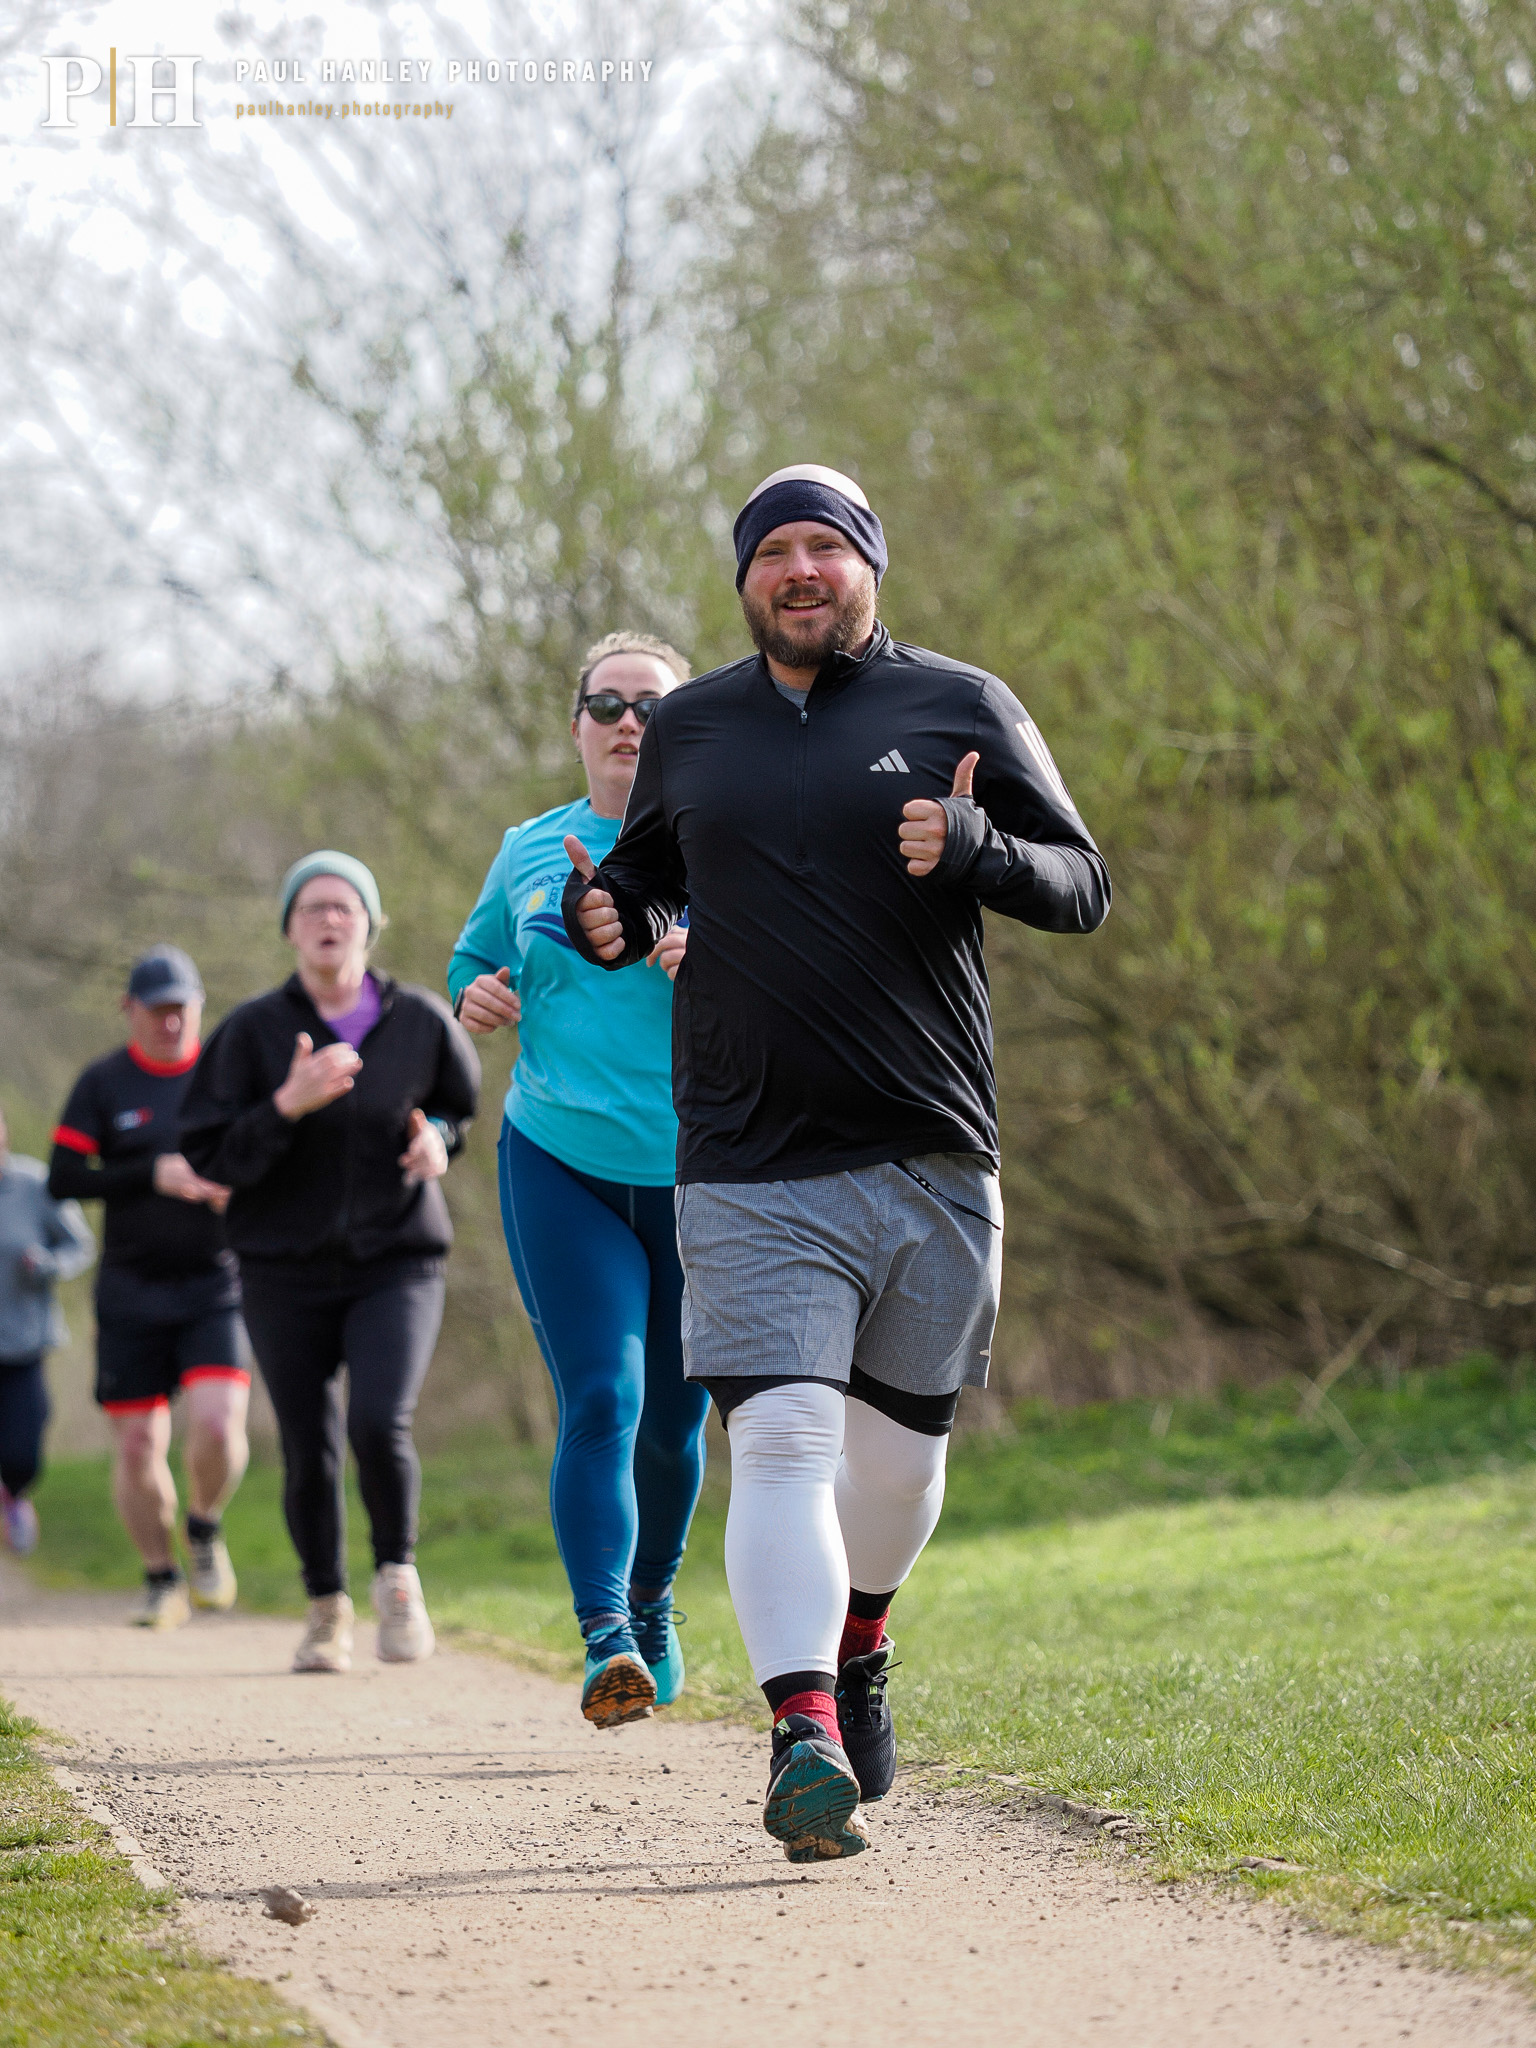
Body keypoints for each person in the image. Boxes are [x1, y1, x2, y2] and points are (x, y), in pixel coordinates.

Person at [564, 463, 1111, 1861]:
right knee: (787, 1442)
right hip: (746, 1154)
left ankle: (861, 1639)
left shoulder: (962, 706)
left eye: (826, 547)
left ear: (869, 565)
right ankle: (802, 1727)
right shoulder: (693, 726)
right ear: (744, 580)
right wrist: (611, 910)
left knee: (898, 1465)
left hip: (930, 1145)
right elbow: (648, 870)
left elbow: (1083, 885)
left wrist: (980, 846)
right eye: (773, 554)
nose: (798, 571)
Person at [448, 631, 710, 1730]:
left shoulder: (720, 845)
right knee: (604, 1393)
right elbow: (469, 961)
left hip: (705, 1170)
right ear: (577, 728)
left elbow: (801, 983)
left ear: (682, 728)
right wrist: (477, 995)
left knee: (679, 1420)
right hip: (563, 1160)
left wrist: (717, 956)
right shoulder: (529, 848)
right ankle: (606, 1634)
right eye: (604, 703)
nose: (625, 720)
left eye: (648, 703)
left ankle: (654, 1596)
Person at [179, 853, 480, 1674]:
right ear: (288, 928)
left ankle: (398, 1581)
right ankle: (324, 1608)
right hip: (282, 1266)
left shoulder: (417, 1019)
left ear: (370, 923)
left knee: (379, 1422)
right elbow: (207, 1152)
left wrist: (437, 1140)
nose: (328, 918)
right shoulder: (250, 1033)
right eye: (311, 907)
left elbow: (459, 1104)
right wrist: (286, 1103)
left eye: (345, 906)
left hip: (398, 1259)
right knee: (307, 1442)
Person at [49, 947, 248, 1627]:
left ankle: (203, 1526)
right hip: (131, 1288)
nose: (170, 1021)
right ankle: (161, 1578)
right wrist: (147, 1173)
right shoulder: (103, 1083)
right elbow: (63, 1179)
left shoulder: (228, 1075)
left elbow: (273, 1155)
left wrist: (240, 1193)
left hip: (215, 1283)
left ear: (198, 1007)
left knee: (218, 1426)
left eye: (181, 1008)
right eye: (157, 1009)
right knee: (137, 1447)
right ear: (129, 1009)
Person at [0, 1104, 95, 1556]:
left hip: (22, 1343)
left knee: (22, 1453)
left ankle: (13, 1496)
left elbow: (80, 1245)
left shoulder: (35, 1184)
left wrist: (48, 1264)